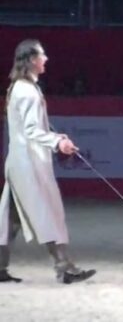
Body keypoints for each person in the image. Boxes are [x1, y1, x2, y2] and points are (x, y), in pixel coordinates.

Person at [0, 39, 96, 284]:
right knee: (47, 213)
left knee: (9, 218)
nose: (46, 59)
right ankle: (64, 267)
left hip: (19, 162)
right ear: (31, 60)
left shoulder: (20, 87)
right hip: (28, 164)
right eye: (42, 55)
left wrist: (55, 136)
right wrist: (57, 143)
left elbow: (29, 127)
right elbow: (31, 130)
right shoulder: (28, 91)